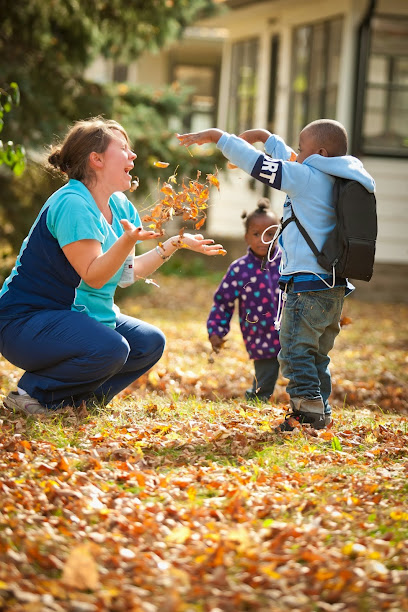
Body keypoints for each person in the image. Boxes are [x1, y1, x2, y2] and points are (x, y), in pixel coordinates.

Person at [0, 116, 224, 415]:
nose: (132, 155)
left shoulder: (120, 205)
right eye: (123, 148)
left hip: (76, 318)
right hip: (26, 321)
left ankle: (77, 404)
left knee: (148, 342)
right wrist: (127, 241)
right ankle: (33, 392)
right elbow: (93, 276)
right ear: (96, 159)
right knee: (111, 348)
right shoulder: (73, 203)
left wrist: (175, 243)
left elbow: (126, 274)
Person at [177, 119, 376, 431]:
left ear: (319, 153)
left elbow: (261, 166)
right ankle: (319, 409)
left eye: (301, 149)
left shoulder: (307, 177)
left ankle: (306, 413)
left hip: (308, 287)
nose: (295, 154)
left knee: (295, 350)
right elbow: (288, 160)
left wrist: (220, 138)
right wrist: (264, 136)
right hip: (333, 286)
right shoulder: (335, 175)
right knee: (316, 355)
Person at [207, 197, 281, 402]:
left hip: (292, 332)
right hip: (261, 334)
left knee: (301, 372)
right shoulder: (240, 269)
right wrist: (216, 330)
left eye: (270, 234)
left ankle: (305, 404)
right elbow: (223, 303)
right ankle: (256, 402)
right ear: (246, 237)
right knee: (265, 378)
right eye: (256, 234)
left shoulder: (289, 263)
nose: (263, 240)